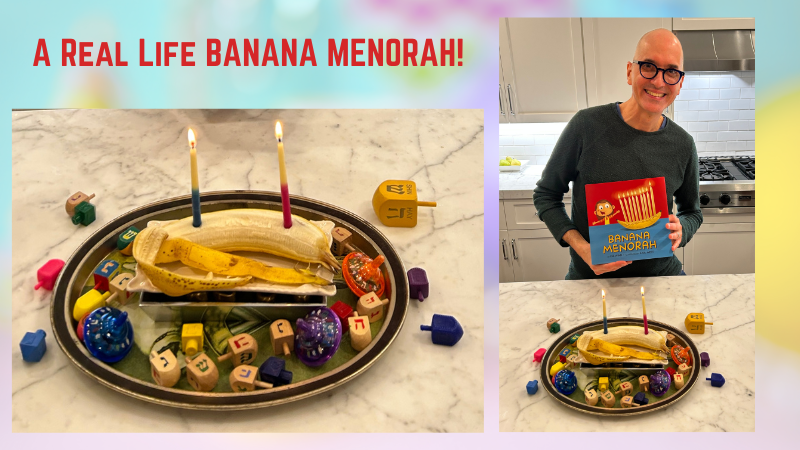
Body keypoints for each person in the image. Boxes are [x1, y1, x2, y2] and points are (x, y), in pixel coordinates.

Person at [532, 28, 702, 280]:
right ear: (629, 72)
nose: (658, 81)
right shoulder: (586, 126)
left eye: (671, 72)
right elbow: (546, 196)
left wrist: (682, 229)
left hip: (661, 278)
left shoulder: (683, 145)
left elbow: (692, 212)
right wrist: (584, 249)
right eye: (648, 66)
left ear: (680, 83)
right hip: (590, 279)